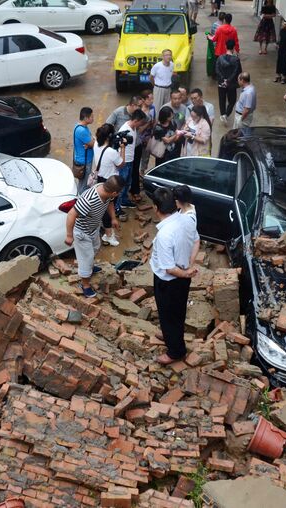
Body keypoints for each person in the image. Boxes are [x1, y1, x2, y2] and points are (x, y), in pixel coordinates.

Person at [150, 187, 199, 365]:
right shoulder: (187, 219)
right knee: (176, 312)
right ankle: (169, 334)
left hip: (168, 281)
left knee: (168, 313)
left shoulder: (165, 234)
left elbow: (169, 268)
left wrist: (185, 272)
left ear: (156, 208)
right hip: (181, 279)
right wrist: (189, 264)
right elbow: (196, 240)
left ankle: (176, 351)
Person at [65, 176, 123, 298]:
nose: (118, 195)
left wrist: (113, 218)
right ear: (114, 192)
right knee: (86, 257)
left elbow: (110, 202)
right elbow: (71, 215)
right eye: (119, 192)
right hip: (82, 232)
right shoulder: (89, 200)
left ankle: (90, 267)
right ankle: (85, 285)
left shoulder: (107, 192)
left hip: (93, 228)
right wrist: (69, 236)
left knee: (96, 248)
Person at [89, 124, 126, 246]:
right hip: (111, 182)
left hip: (100, 179)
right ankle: (108, 235)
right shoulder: (111, 152)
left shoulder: (95, 144)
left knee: (103, 206)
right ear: (109, 137)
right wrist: (123, 148)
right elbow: (121, 164)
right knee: (108, 208)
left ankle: (105, 229)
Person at [116, 109, 148, 211]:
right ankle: (117, 206)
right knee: (122, 183)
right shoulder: (125, 130)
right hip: (124, 161)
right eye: (141, 123)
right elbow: (119, 147)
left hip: (130, 160)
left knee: (128, 182)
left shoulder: (133, 127)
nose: (141, 125)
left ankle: (124, 200)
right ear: (136, 120)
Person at [215, 38, 242, 125]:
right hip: (231, 84)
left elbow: (216, 70)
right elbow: (238, 72)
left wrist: (223, 79)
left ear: (225, 46)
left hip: (221, 83)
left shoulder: (220, 58)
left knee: (222, 100)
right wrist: (229, 80)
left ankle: (223, 114)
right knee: (232, 100)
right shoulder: (236, 60)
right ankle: (226, 114)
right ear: (233, 47)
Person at [73, 107, 95, 195]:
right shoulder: (82, 130)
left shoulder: (80, 126)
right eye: (92, 117)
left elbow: (91, 139)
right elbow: (93, 144)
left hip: (81, 159)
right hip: (84, 162)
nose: (93, 118)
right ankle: (80, 201)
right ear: (86, 118)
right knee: (84, 184)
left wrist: (91, 141)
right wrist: (92, 142)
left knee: (82, 183)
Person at [138, 89, 157, 174]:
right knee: (137, 156)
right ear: (143, 100)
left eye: (152, 99)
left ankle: (142, 172)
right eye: (149, 99)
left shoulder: (152, 108)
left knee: (146, 157)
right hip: (138, 138)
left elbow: (154, 120)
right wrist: (148, 123)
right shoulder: (138, 110)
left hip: (148, 137)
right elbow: (139, 128)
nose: (151, 101)